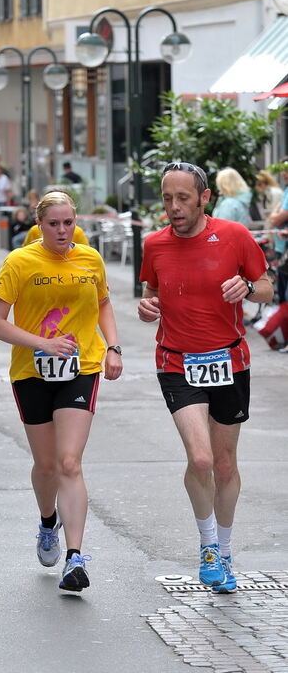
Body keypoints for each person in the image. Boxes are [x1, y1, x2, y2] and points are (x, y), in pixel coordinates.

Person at [138, 161, 273, 593]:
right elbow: (151, 292)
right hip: (177, 361)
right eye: (167, 199)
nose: (174, 207)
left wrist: (248, 289)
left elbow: (268, 285)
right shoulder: (154, 244)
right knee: (200, 460)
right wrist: (148, 307)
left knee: (225, 463)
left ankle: (228, 552)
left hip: (229, 361)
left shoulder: (234, 236)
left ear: (203, 198)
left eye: (182, 198)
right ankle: (209, 547)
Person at [0, 190, 122, 592]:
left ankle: (75, 557)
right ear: (39, 224)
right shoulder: (20, 261)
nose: (62, 231)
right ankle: (48, 522)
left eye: (68, 223)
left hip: (81, 367)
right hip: (32, 371)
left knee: (69, 462)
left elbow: (103, 304)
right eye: (54, 224)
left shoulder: (89, 257)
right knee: (46, 466)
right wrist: (41, 342)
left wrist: (112, 346)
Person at [269, 158, 288, 311]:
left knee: (285, 296)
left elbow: (276, 219)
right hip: (282, 249)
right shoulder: (285, 191)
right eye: (282, 169)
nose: (284, 173)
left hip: (285, 250)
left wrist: (275, 214)